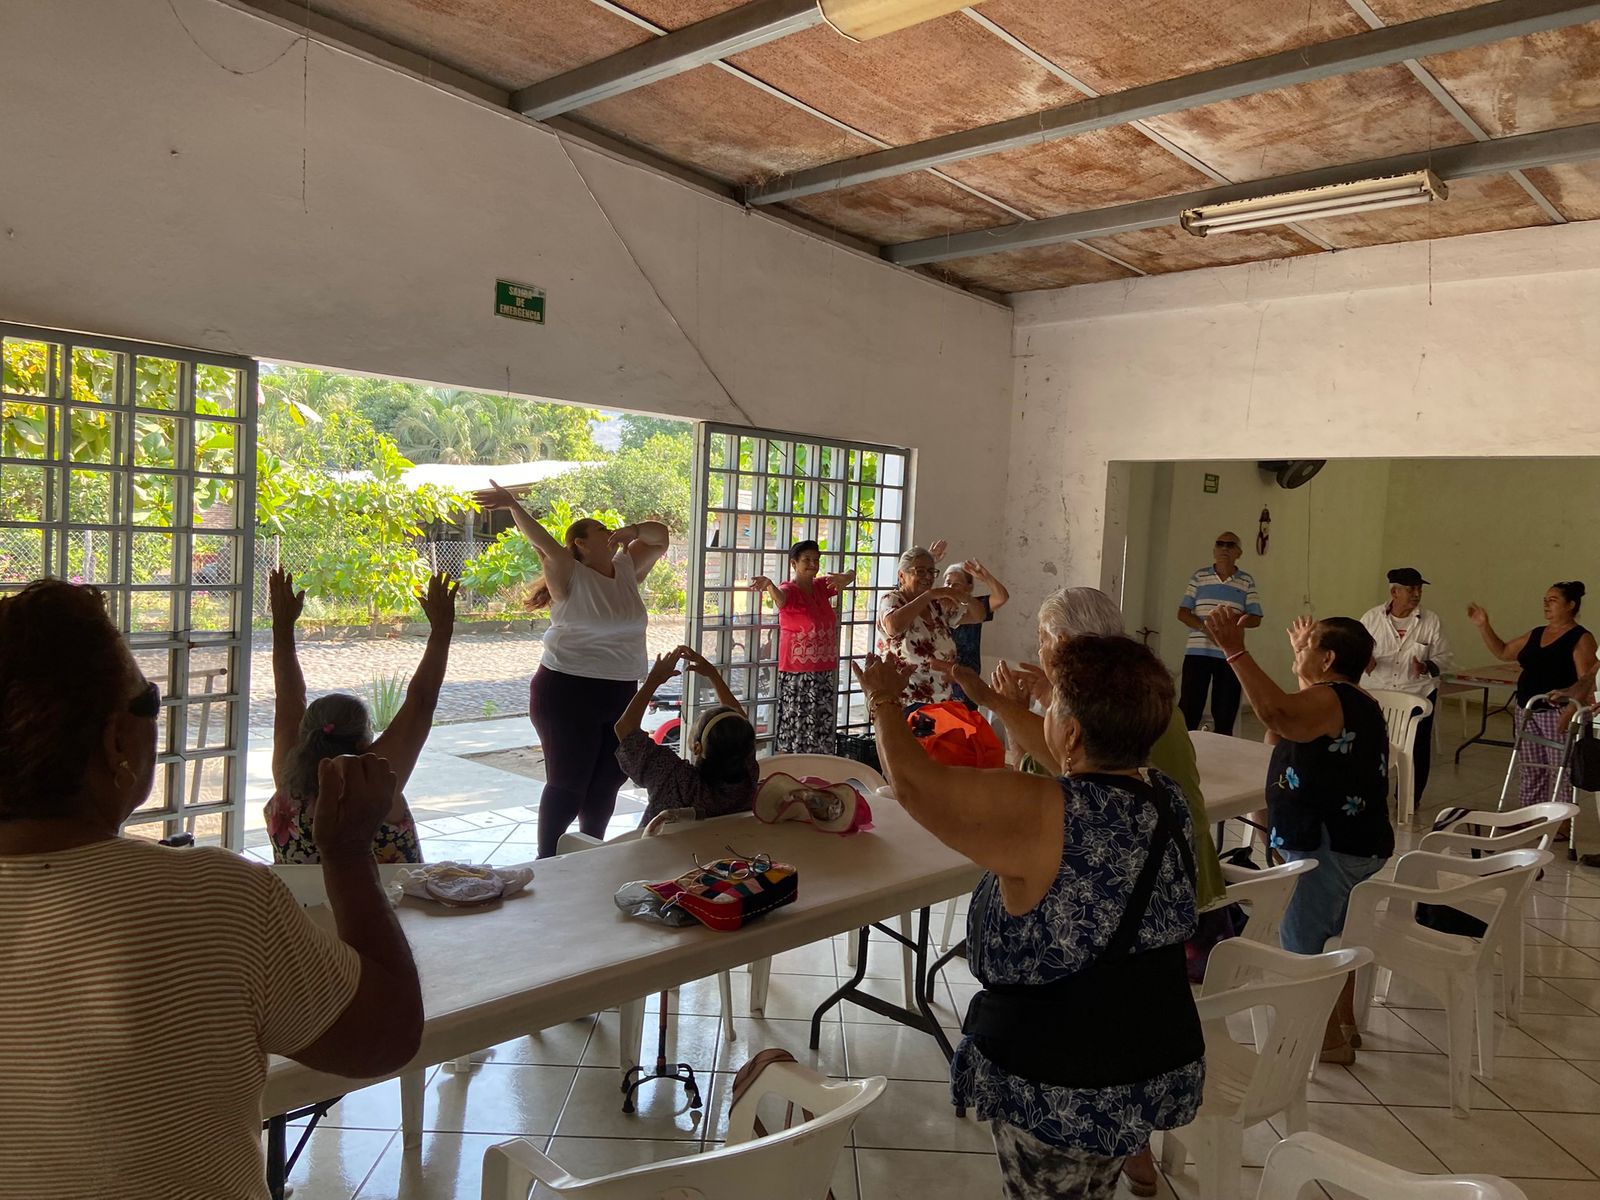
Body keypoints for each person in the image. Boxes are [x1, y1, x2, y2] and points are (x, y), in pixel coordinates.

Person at [0, 579, 421, 1199]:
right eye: (149, 700)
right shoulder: (216, 900)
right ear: (117, 740)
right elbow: (386, 1037)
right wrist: (347, 852)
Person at [856, 637, 1203, 1200]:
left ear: (1070, 731)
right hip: (1141, 1052)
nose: (1047, 715)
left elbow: (917, 786)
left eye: (1055, 705)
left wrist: (882, 703)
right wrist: (988, 696)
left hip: (1060, 1070)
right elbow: (1065, 759)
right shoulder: (1163, 794)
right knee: (1093, 1188)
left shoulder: (1045, 812)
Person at [941, 585, 1223, 1198]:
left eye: (1048, 645)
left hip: (1078, 1019)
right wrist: (999, 700)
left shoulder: (1103, 729)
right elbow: (1061, 755)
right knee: (1119, 992)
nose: (1040, 655)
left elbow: (1060, 776)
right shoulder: (1141, 702)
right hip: (1158, 886)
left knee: (1099, 989)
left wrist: (891, 712)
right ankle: (1131, 1150)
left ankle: (1119, 1146)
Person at [1205, 609, 1392, 1064]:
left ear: (1328, 660)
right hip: (1350, 840)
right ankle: (1342, 1026)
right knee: (1336, 939)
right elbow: (1284, 727)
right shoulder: (1345, 698)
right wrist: (1302, 665)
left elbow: (1275, 712)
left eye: (1308, 647)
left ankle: (1324, 1043)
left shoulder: (1331, 699)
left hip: (1325, 846)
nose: (1299, 649)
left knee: (1305, 948)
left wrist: (1235, 650)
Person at [484, 482, 670, 857]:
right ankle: (547, 861)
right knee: (570, 782)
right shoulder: (568, 572)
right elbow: (541, 542)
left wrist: (631, 531)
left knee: (609, 778)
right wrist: (514, 506)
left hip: (619, 690)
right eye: (599, 529)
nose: (607, 531)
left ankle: (590, 851)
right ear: (581, 543)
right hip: (567, 690)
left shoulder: (627, 568)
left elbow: (660, 537)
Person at [265, 567, 458, 864]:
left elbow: (289, 698)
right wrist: (442, 628)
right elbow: (421, 700)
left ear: (306, 732)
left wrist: (282, 625)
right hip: (385, 909)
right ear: (361, 742)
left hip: (300, 908)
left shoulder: (286, 771)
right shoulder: (376, 778)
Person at [1467, 581, 1597, 808]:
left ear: (1571, 605)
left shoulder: (1581, 638)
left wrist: (1569, 712)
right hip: (1527, 708)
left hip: (1558, 711)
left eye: (1553, 601)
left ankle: (1560, 822)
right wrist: (1483, 625)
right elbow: (1504, 652)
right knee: (1530, 766)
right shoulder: (1538, 633)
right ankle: (1529, 815)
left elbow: (1586, 682)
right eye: (1545, 600)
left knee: (1560, 769)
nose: (1546, 605)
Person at [616, 645, 759, 826]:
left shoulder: (673, 776)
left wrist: (653, 680)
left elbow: (625, 728)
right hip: (718, 851)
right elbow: (740, 726)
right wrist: (713, 675)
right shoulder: (747, 778)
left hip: (657, 852)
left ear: (697, 746)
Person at [1359, 567, 1455, 806]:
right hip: (1377, 693)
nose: (1416, 594)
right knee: (1372, 747)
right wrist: (1364, 661)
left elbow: (1446, 657)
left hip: (1417, 693)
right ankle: (1371, 796)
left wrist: (1426, 665)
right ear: (1394, 591)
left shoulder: (1431, 621)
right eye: (1411, 589)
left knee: (1416, 750)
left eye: (1419, 589)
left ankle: (1410, 799)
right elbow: (1355, 650)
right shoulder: (1371, 618)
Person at [750, 540, 855, 754]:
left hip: (824, 670)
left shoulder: (821, 587)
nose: (812, 564)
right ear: (794, 564)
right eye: (806, 560)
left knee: (821, 727)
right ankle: (795, 770)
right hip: (798, 673)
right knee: (798, 726)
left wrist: (847, 576)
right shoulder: (789, 589)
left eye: (816, 560)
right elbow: (780, 600)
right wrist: (769, 585)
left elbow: (851, 575)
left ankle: (819, 772)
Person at [1176, 530, 1263, 735]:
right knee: (1189, 708)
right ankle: (1184, 753)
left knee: (1225, 711)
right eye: (1220, 544)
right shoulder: (1199, 577)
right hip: (1197, 653)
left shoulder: (1246, 581)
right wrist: (1206, 629)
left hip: (1230, 654)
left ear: (1239, 553)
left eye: (1230, 545)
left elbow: (1256, 618)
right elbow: (1182, 612)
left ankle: (1222, 758)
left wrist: (1232, 624)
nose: (1224, 548)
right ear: (1214, 550)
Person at [875, 545, 961, 711]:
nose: (928, 577)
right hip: (907, 699)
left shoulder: (935, 605)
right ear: (902, 576)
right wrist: (929, 595)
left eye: (931, 572)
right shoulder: (892, 599)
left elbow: (978, 614)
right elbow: (893, 627)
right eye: (920, 571)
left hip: (941, 697)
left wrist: (960, 595)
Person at [941, 558, 1010, 706]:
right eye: (947, 582)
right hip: (940, 682)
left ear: (968, 588)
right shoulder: (935, 608)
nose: (951, 587)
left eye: (957, 584)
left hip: (967, 683)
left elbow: (1002, 597)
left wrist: (986, 577)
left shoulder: (975, 607)